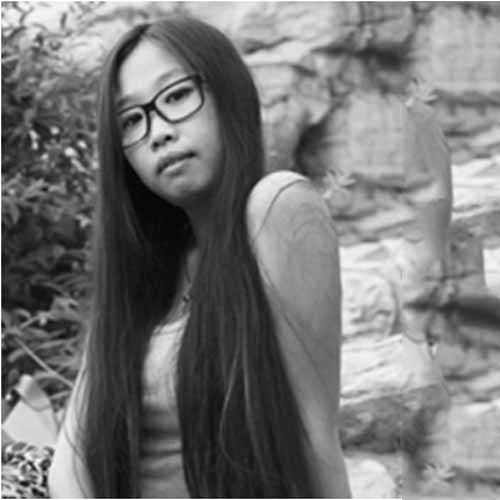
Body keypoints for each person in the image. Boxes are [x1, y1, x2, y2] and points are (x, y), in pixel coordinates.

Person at [48, 14, 351, 498]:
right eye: (131, 120)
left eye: (176, 96)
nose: (158, 132)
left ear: (227, 93)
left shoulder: (279, 208)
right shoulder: (145, 278)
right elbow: (71, 462)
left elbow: (314, 434)